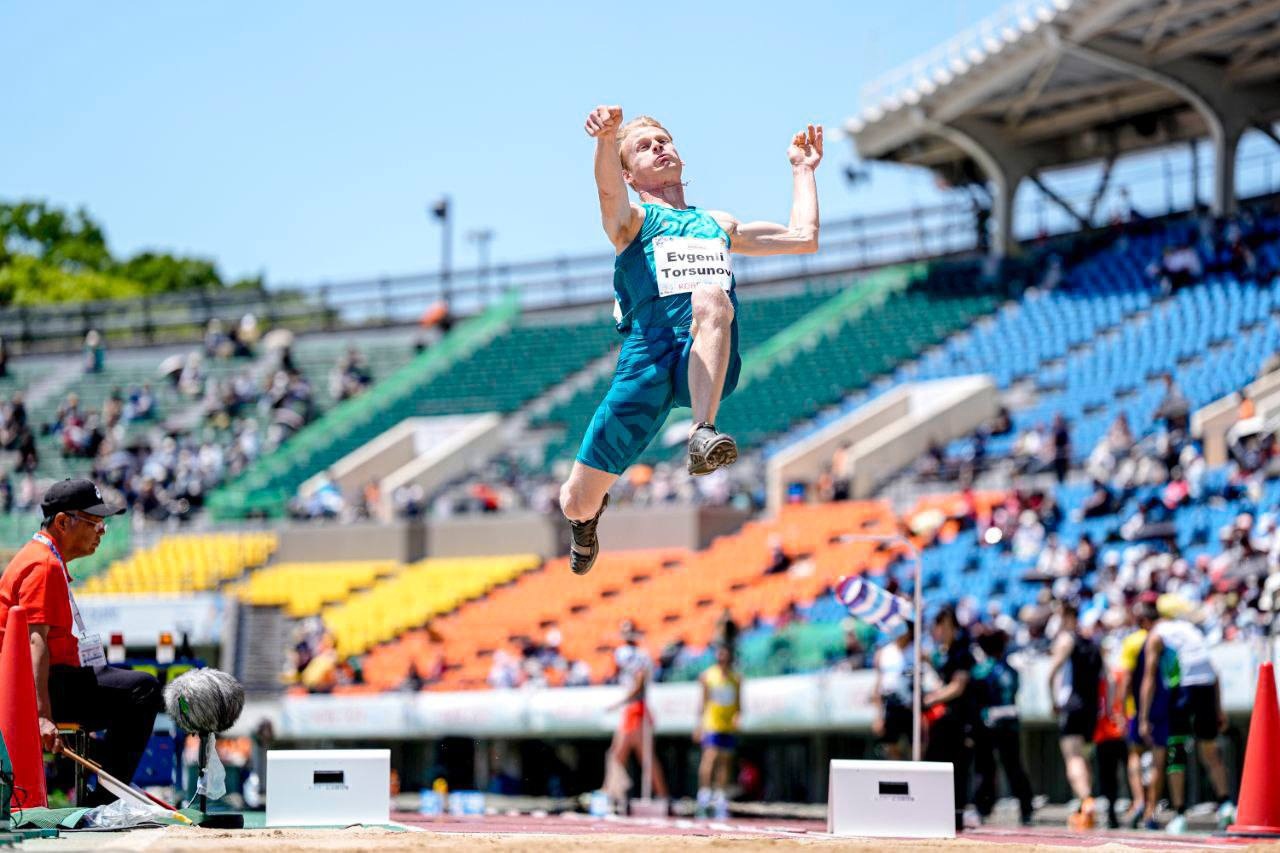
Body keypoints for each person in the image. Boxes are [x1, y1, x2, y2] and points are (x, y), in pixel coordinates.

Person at [561, 106, 823, 574]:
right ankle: (587, 521)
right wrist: (604, 140)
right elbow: (607, 191)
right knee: (576, 500)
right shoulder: (632, 221)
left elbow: (803, 237)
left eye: (664, 140)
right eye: (644, 146)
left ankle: (703, 433)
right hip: (647, 360)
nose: (660, 147)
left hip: (705, 354)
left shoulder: (717, 224)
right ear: (627, 172)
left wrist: (803, 171)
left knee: (712, 297)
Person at [0, 479, 162, 805]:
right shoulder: (42, 565)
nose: (102, 531)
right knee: (141, 690)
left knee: (125, 687)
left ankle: (100, 784)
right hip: (33, 686)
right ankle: (103, 803)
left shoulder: (43, 559)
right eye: (95, 522)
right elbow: (35, 643)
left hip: (52, 679)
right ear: (62, 522)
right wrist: (42, 715)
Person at [1140, 605, 1235, 833]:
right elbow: (1214, 671)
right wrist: (1219, 708)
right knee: (1210, 750)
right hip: (1207, 685)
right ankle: (1226, 805)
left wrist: (1144, 716)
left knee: (1176, 751)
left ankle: (1180, 813)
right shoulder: (1187, 628)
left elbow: (1149, 678)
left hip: (1183, 688)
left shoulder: (1156, 635)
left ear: (1146, 623)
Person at [1047, 600, 1102, 830]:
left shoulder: (1066, 640)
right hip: (1091, 707)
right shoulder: (1091, 642)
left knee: (1073, 757)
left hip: (1071, 705)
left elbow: (1051, 672)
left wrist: (1053, 701)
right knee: (1085, 756)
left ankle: (1086, 800)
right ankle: (1084, 808)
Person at [971, 629, 1034, 826]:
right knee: (1013, 767)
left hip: (988, 725)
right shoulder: (1011, 670)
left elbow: (977, 701)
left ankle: (983, 809)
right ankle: (1026, 807)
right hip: (1009, 725)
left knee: (985, 768)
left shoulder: (982, 671)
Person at [603, 622, 668, 803]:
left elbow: (639, 683)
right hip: (633, 708)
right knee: (624, 755)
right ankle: (611, 792)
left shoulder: (633, 655)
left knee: (624, 756)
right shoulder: (634, 654)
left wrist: (619, 703)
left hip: (635, 708)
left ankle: (611, 793)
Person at [924, 606, 975, 833]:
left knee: (957, 768)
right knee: (935, 763)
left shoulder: (962, 651)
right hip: (944, 721)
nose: (939, 631)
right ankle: (936, 811)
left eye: (943, 626)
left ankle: (957, 815)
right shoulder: (943, 652)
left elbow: (958, 686)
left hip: (960, 720)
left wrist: (931, 699)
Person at [692, 643, 741, 819]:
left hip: (727, 725)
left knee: (725, 762)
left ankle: (720, 797)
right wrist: (699, 725)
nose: (723, 659)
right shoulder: (708, 676)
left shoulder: (736, 678)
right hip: (712, 723)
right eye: (720, 655)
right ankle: (704, 795)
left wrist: (738, 716)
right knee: (710, 758)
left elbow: (739, 702)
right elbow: (702, 702)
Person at [871, 621, 914, 761]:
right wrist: (878, 716)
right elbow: (878, 686)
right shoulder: (884, 653)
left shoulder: (917, 651)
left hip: (911, 706)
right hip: (891, 704)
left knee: (916, 746)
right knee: (890, 747)